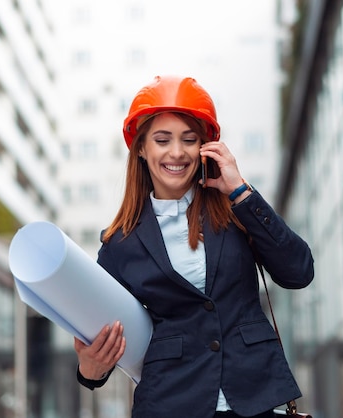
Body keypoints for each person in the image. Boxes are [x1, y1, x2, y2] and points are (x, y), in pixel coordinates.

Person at [73, 75, 314, 418]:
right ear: (141, 148)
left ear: (203, 147)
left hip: (252, 401)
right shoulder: (119, 244)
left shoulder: (236, 211)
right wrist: (89, 369)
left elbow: (299, 272)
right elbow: (104, 339)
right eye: (162, 139)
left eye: (189, 139)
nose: (176, 152)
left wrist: (241, 190)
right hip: (171, 403)